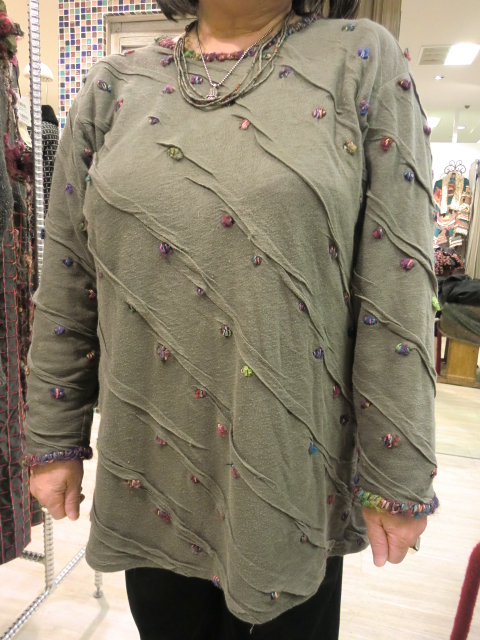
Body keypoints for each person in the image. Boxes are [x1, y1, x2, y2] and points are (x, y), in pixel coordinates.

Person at [25, 1, 439, 638]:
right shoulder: (113, 85)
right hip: (150, 466)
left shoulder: (361, 59)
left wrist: (399, 470)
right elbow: (68, 276)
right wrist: (54, 434)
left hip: (286, 467)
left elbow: (396, 286)